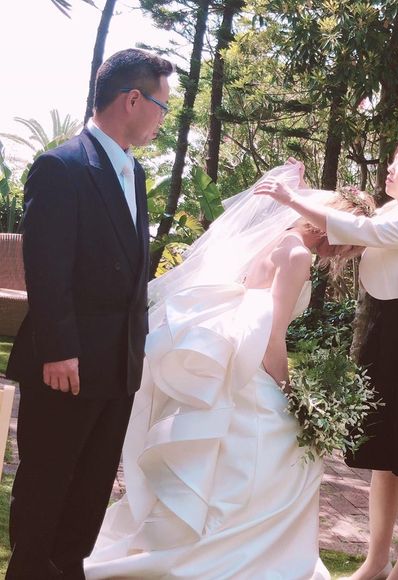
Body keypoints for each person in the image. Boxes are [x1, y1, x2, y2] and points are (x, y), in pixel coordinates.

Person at [83, 162, 375, 579]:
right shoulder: (296, 256)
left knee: (255, 466)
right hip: (252, 373)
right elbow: (271, 337)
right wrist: (293, 396)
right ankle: (240, 562)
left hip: (235, 367)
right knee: (295, 459)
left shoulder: (277, 239)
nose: (343, 255)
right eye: (349, 246)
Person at [255, 135, 398, 580]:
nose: (390, 169)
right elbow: (347, 222)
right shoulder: (392, 210)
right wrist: (301, 190)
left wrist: (291, 198)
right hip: (385, 333)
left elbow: (362, 232)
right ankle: (375, 563)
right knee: (381, 459)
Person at [6, 48, 174, 579]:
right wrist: (59, 350)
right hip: (66, 368)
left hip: (116, 368)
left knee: (88, 496)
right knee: (46, 493)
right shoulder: (61, 166)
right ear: (132, 100)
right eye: (162, 106)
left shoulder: (134, 174)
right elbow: (47, 268)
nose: (164, 118)